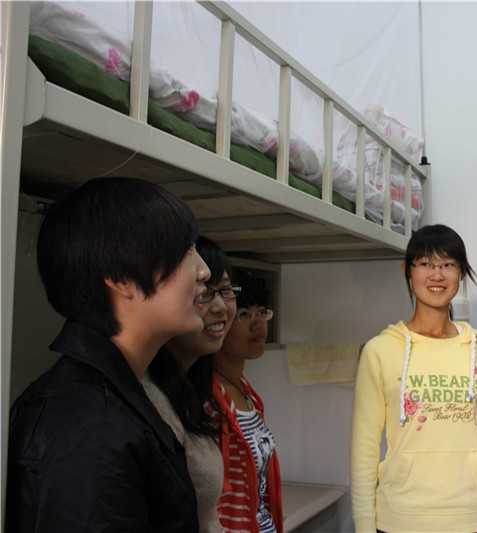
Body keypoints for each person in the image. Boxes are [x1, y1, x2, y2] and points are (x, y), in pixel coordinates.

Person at [6, 177, 209, 532]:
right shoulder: (91, 430)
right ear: (120, 277)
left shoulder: (108, 397)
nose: (203, 270)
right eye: (186, 252)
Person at [350, 224, 477, 533]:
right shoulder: (380, 351)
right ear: (408, 270)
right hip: (400, 520)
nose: (437, 275)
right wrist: (363, 525)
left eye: (448, 264)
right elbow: (364, 449)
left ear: (461, 272)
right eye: (426, 264)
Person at [143, 236, 239, 533]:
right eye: (204, 294)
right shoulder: (150, 399)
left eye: (226, 290)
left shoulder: (199, 386)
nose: (220, 307)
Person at [211, 269, 283, 533]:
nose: (258, 325)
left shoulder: (248, 393)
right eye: (244, 314)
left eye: (261, 313)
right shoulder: (209, 399)